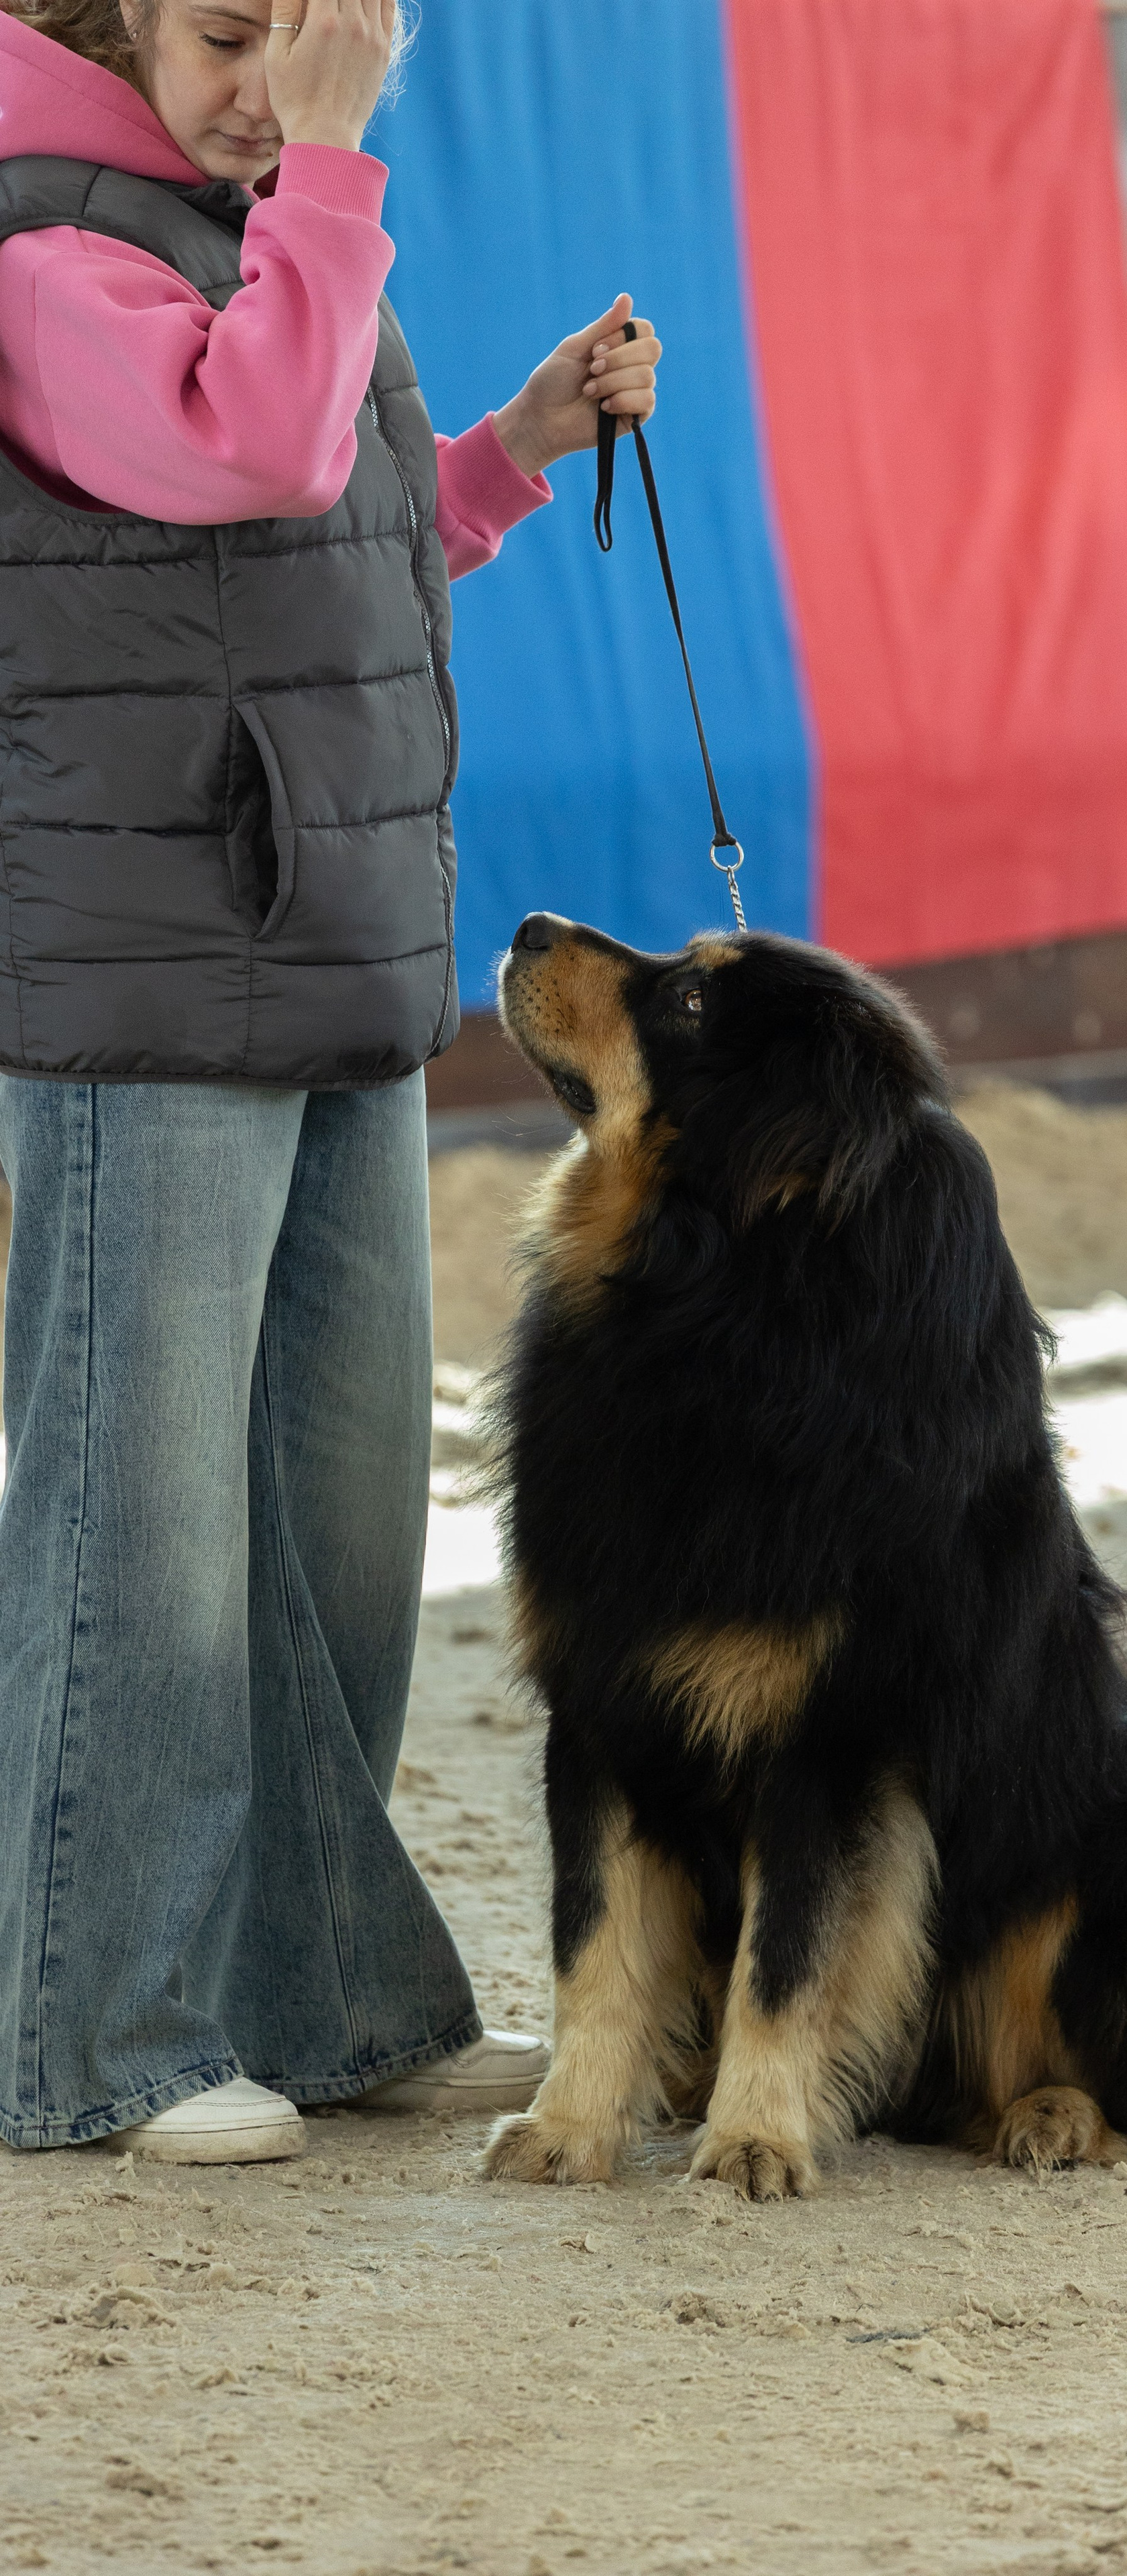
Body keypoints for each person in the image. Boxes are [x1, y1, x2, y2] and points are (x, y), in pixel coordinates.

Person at [0, 0, 661, 2163]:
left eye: (300, 44)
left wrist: (510, 449)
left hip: (338, 967)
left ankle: (327, 1989)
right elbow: (247, 452)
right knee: (146, 1526)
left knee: (345, 1514)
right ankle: (104, 2032)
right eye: (220, 37)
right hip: (150, 981)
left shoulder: (254, 222)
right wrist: (340, 165)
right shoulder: (43, 242)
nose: (263, 90)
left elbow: (337, 551)